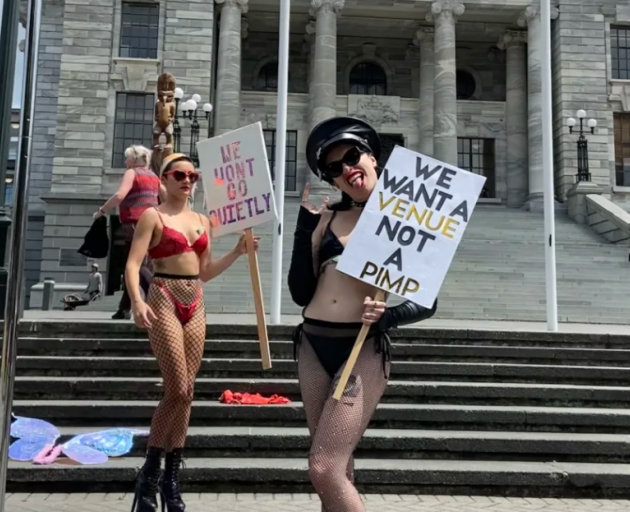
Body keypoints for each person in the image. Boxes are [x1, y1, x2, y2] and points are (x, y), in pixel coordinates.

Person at [288, 117, 437, 512]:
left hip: (362, 349)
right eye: (335, 168)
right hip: (312, 346)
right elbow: (300, 293)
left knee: (323, 467)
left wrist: (388, 314)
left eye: (352, 156)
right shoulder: (326, 221)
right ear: (333, 181)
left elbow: (427, 301)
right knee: (339, 469)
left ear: (372, 157)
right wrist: (305, 230)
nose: (347, 169)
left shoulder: (406, 220)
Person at [125, 152, 259, 512]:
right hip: (164, 294)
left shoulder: (202, 219)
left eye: (193, 175)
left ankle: (167, 480)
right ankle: (151, 475)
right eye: (180, 174)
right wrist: (137, 301)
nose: (188, 180)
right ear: (165, 179)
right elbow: (134, 263)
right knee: (179, 388)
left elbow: (205, 271)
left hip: (195, 299)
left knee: (187, 393)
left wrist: (238, 251)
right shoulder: (153, 216)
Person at [93, 145, 164, 319]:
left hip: (135, 222)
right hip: (153, 222)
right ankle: (124, 309)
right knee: (139, 265)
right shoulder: (154, 176)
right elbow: (166, 197)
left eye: (126, 158)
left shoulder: (132, 173)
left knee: (134, 265)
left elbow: (119, 195)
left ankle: (159, 299)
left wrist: (101, 211)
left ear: (133, 159)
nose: (125, 162)